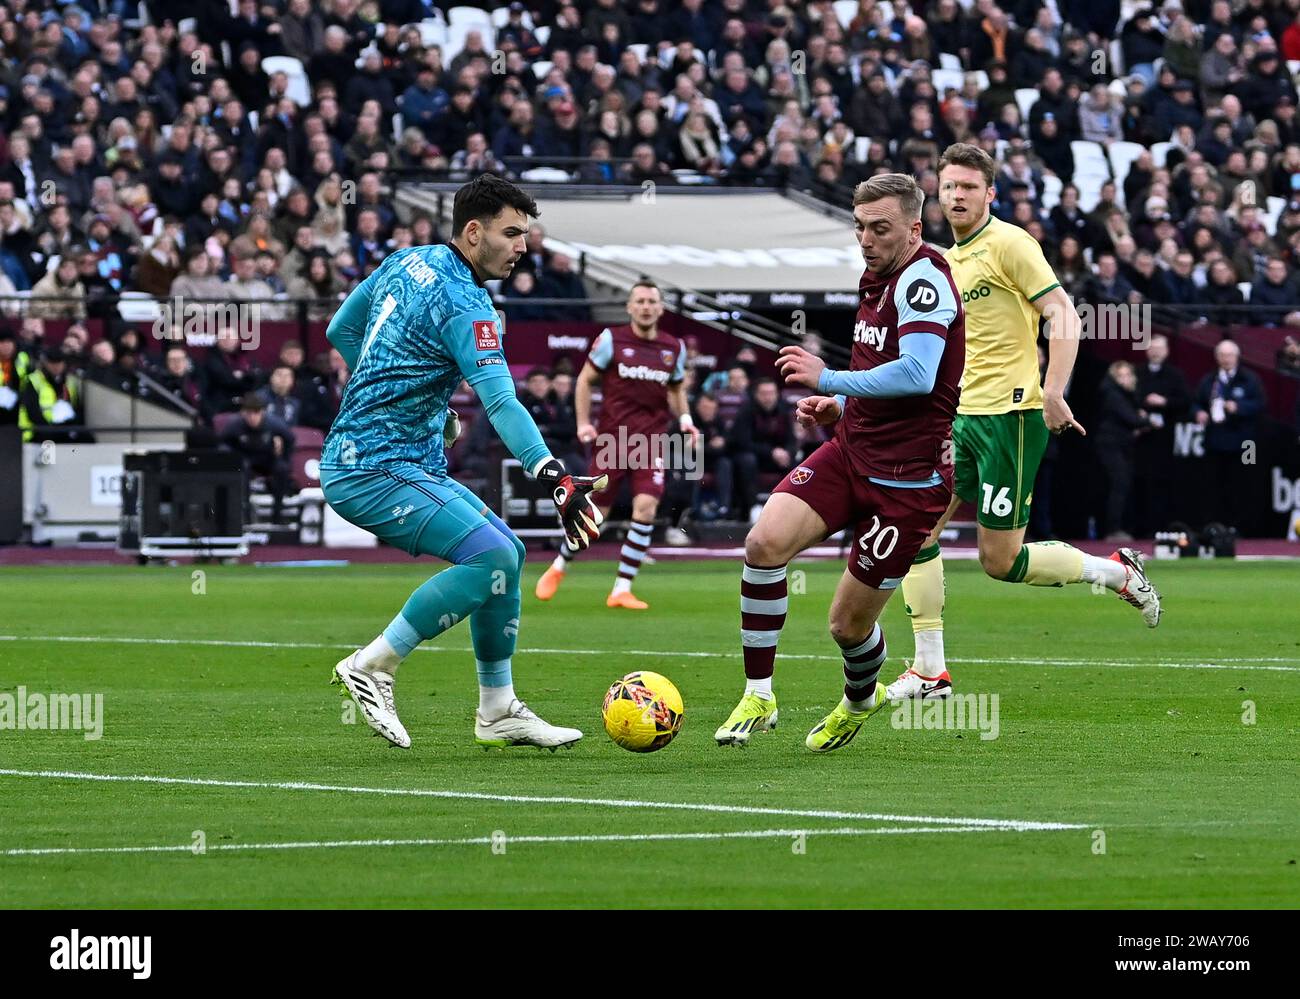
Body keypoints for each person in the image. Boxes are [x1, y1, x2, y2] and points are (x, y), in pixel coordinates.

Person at [321, 175, 604, 751]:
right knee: (494, 554)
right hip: (373, 467)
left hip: (384, 457)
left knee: (509, 555)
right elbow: (500, 400)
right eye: (511, 233)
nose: (523, 245)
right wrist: (552, 472)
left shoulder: (407, 260)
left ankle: (497, 710)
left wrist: (410, 399)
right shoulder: (466, 302)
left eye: (526, 233)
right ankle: (373, 664)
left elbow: (341, 329)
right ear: (473, 233)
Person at [892, 143, 1162, 706]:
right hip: (958, 418)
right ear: (936, 195)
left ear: (990, 193)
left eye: (969, 186)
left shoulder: (1011, 243)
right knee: (913, 530)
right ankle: (929, 671)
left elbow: (1062, 313)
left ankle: (1115, 573)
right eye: (949, 187)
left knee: (1001, 561)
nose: (958, 195)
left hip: (1011, 417)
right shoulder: (940, 260)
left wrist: (1054, 390)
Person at [712, 173, 964, 752]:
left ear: (914, 228)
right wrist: (840, 403)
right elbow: (880, 360)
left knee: (846, 627)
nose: (867, 239)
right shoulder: (876, 276)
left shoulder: (923, 280)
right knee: (763, 545)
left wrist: (827, 375)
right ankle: (760, 692)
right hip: (850, 454)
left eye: (881, 228)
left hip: (909, 483)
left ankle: (857, 701)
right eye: (860, 228)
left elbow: (918, 373)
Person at [534, 280, 700, 611]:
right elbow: (584, 379)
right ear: (629, 307)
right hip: (614, 439)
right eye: (639, 301)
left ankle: (621, 588)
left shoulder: (673, 348)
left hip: (651, 440)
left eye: (652, 301)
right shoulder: (612, 339)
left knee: (647, 508)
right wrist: (584, 423)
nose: (646, 307)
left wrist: (685, 420)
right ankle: (560, 565)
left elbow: (677, 389)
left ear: (661, 308)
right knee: (597, 514)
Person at [1194, 339, 1265, 532]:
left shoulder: (1250, 379)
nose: (1226, 359)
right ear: (1217, 357)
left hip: (1246, 443)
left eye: (1229, 355)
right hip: (1215, 440)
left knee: (1244, 483)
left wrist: (1239, 407)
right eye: (1222, 355)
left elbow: (1260, 405)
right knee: (1214, 485)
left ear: (1237, 357)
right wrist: (1198, 412)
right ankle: (1216, 526)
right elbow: (1197, 402)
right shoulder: (1209, 380)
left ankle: (1242, 526)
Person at [1094, 361, 1150, 542]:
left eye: (1128, 375)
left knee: (1122, 484)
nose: (1125, 379)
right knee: (1119, 483)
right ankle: (1112, 529)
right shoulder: (1112, 394)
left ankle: (1119, 527)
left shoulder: (1127, 395)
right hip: (1110, 445)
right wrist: (1144, 419)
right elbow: (1132, 419)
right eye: (1121, 375)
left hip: (1121, 445)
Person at [220, 395, 295, 522]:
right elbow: (223, 442)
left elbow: (290, 438)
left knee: (282, 469)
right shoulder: (235, 425)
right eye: (249, 413)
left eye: (256, 413)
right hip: (246, 459)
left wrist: (284, 457)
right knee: (241, 469)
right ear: (243, 413)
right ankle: (245, 514)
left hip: (268, 459)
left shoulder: (273, 423)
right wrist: (232, 454)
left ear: (262, 412)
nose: (252, 417)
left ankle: (278, 513)